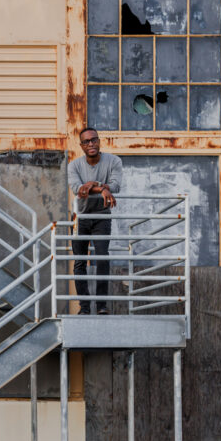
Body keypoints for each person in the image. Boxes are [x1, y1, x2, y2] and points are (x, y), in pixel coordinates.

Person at [67, 127, 123, 315]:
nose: (91, 144)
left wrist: (93, 185)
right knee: (80, 262)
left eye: (94, 140)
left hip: (101, 217)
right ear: (81, 146)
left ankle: (101, 306)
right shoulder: (74, 165)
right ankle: (84, 308)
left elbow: (115, 186)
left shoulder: (114, 161)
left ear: (99, 141)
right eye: (86, 141)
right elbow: (78, 190)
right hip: (80, 218)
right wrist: (101, 188)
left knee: (102, 258)